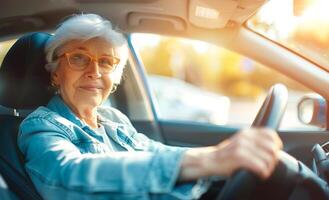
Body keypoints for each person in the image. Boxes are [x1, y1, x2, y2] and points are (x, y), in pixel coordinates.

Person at [18, 14, 283, 200]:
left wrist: (221, 156)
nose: (94, 71)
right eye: (78, 58)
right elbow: (67, 174)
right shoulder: (41, 125)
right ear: (55, 73)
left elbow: (156, 151)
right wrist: (211, 160)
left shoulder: (114, 120)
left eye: (107, 62)